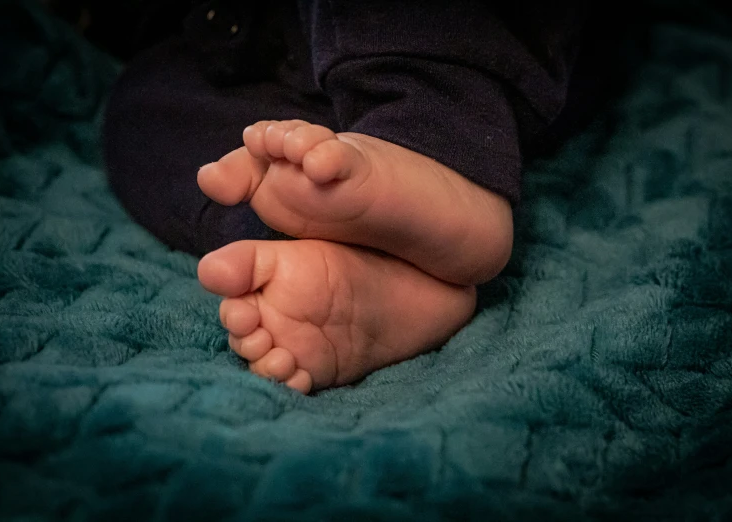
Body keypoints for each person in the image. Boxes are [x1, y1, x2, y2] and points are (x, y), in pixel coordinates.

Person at [103, 0, 608, 393]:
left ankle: (432, 138)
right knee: (141, 112)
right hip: (246, 49)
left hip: (482, 56)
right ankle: (346, 244)